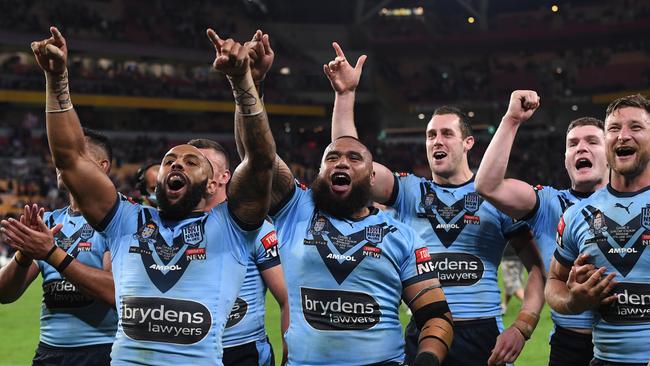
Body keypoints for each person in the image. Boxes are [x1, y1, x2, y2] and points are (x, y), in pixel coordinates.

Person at [24, 26, 277, 365]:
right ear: (157, 179)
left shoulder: (233, 226)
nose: (177, 165)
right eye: (169, 160)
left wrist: (242, 81)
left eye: (192, 162)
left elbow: (261, 160)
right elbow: (69, 160)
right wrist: (57, 80)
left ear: (213, 183)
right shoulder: (126, 220)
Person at [324, 43, 545, 366]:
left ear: (468, 143)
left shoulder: (495, 197)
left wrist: (522, 327)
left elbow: (537, 269)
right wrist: (345, 96)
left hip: (482, 335)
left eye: (446, 134)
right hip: (424, 330)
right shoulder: (409, 190)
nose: (436, 141)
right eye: (430, 135)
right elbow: (351, 163)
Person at [240, 35, 453, 366]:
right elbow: (259, 159)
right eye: (332, 156)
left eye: (354, 158)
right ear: (320, 171)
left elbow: (436, 315)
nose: (341, 162)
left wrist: (426, 359)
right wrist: (249, 86)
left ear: (372, 177)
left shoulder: (400, 235)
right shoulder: (295, 209)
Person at [475, 90, 610, 365]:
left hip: (628, 340)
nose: (581, 148)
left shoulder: (638, 203)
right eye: (572, 144)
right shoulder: (550, 202)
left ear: (610, 153)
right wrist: (512, 119)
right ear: (565, 158)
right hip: (569, 346)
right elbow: (488, 185)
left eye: (592, 141)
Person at [547, 94, 650, 365]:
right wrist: (573, 302)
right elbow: (554, 282)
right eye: (614, 129)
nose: (623, 136)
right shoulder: (576, 215)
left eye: (636, 127)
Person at [0, 129, 117, 366]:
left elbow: (115, 292)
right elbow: (5, 294)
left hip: (102, 352)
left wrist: (51, 253)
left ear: (102, 166)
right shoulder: (49, 222)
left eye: (73, 155)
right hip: (49, 353)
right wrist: (25, 252)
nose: (61, 161)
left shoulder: (118, 220)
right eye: (60, 156)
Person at [188, 138, 289, 366]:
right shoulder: (171, 227)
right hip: (187, 353)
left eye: (205, 164)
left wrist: (287, 356)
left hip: (242, 352)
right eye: (191, 164)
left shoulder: (253, 227)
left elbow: (287, 298)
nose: (196, 170)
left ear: (225, 177)